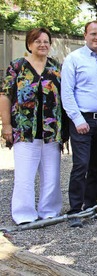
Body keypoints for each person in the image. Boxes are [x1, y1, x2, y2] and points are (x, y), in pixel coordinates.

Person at [1, 27, 65, 225]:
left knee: (51, 174)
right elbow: (5, 95)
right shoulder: (17, 67)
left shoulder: (55, 68)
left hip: (51, 131)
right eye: (38, 41)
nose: (43, 44)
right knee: (24, 175)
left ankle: (49, 211)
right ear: (29, 44)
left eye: (46, 41)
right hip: (24, 130)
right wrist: (6, 125)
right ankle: (24, 214)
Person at [61, 21, 97, 228]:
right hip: (82, 120)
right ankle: (75, 210)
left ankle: (91, 206)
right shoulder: (74, 59)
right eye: (93, 34)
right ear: (85, 35)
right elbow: (67, 92)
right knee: (81, 165)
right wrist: (77, 120)